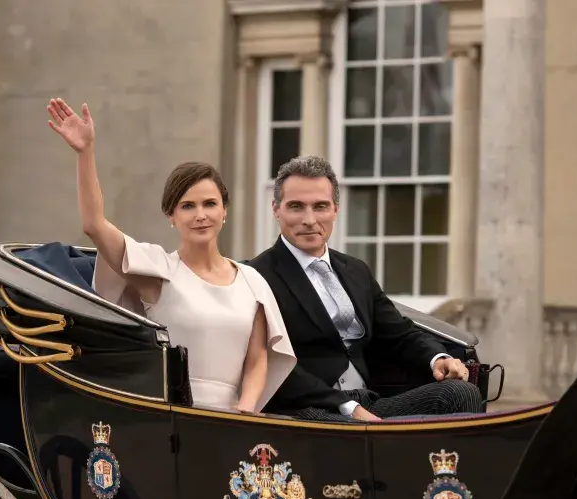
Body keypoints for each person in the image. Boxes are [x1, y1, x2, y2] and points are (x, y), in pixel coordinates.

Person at [46, 98, 296, 413]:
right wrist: (86, 153)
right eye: (187, 206)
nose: (200, 215)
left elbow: (258, 360)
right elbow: (94, 225)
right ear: (171, 216)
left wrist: (245, 413)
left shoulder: (252, 282)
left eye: (209, 204)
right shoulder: (157, 270)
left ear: (224, 212)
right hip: (169, 417)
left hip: (235, 422)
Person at [248, 155, 483, 422]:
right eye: (296, 207)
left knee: (461, 394)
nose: (310, 219)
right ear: (276, 209)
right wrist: (346, 407)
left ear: (336, 209)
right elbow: (270, 364)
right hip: (307, 409)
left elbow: (399, 334)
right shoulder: (255, 276)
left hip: (368, 401)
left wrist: (438, 359)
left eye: (320, 206)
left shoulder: (355, 270)